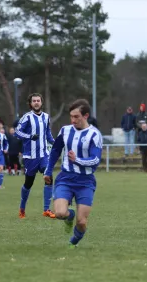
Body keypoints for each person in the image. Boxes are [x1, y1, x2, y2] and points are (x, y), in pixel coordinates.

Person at [44, 99, 103, 248]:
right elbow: (56, 150)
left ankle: (74, 241)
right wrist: (48, 170)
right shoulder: (65, 130)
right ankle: (69, 217)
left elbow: (95, 159)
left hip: (85, 181)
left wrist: (77, 160)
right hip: (66, 178)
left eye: (76, 116)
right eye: (71, 116)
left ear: (86, 116)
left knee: (82, 222)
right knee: (59, 213)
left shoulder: (94, 134)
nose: (73, 120)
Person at [15, 93, 56, 219]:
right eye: (34, 101)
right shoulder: (26, 117)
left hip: (44, 155)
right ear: (30, 103)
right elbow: (17, 132)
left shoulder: (46, 117)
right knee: (28, 183)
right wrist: (29, 136)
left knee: (48, 177)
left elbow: (48, 135)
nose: (36, 102)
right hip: (30, 157)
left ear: (41, 102)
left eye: (38, 100)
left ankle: (46, 209)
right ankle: (22, 208)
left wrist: (57, 144)